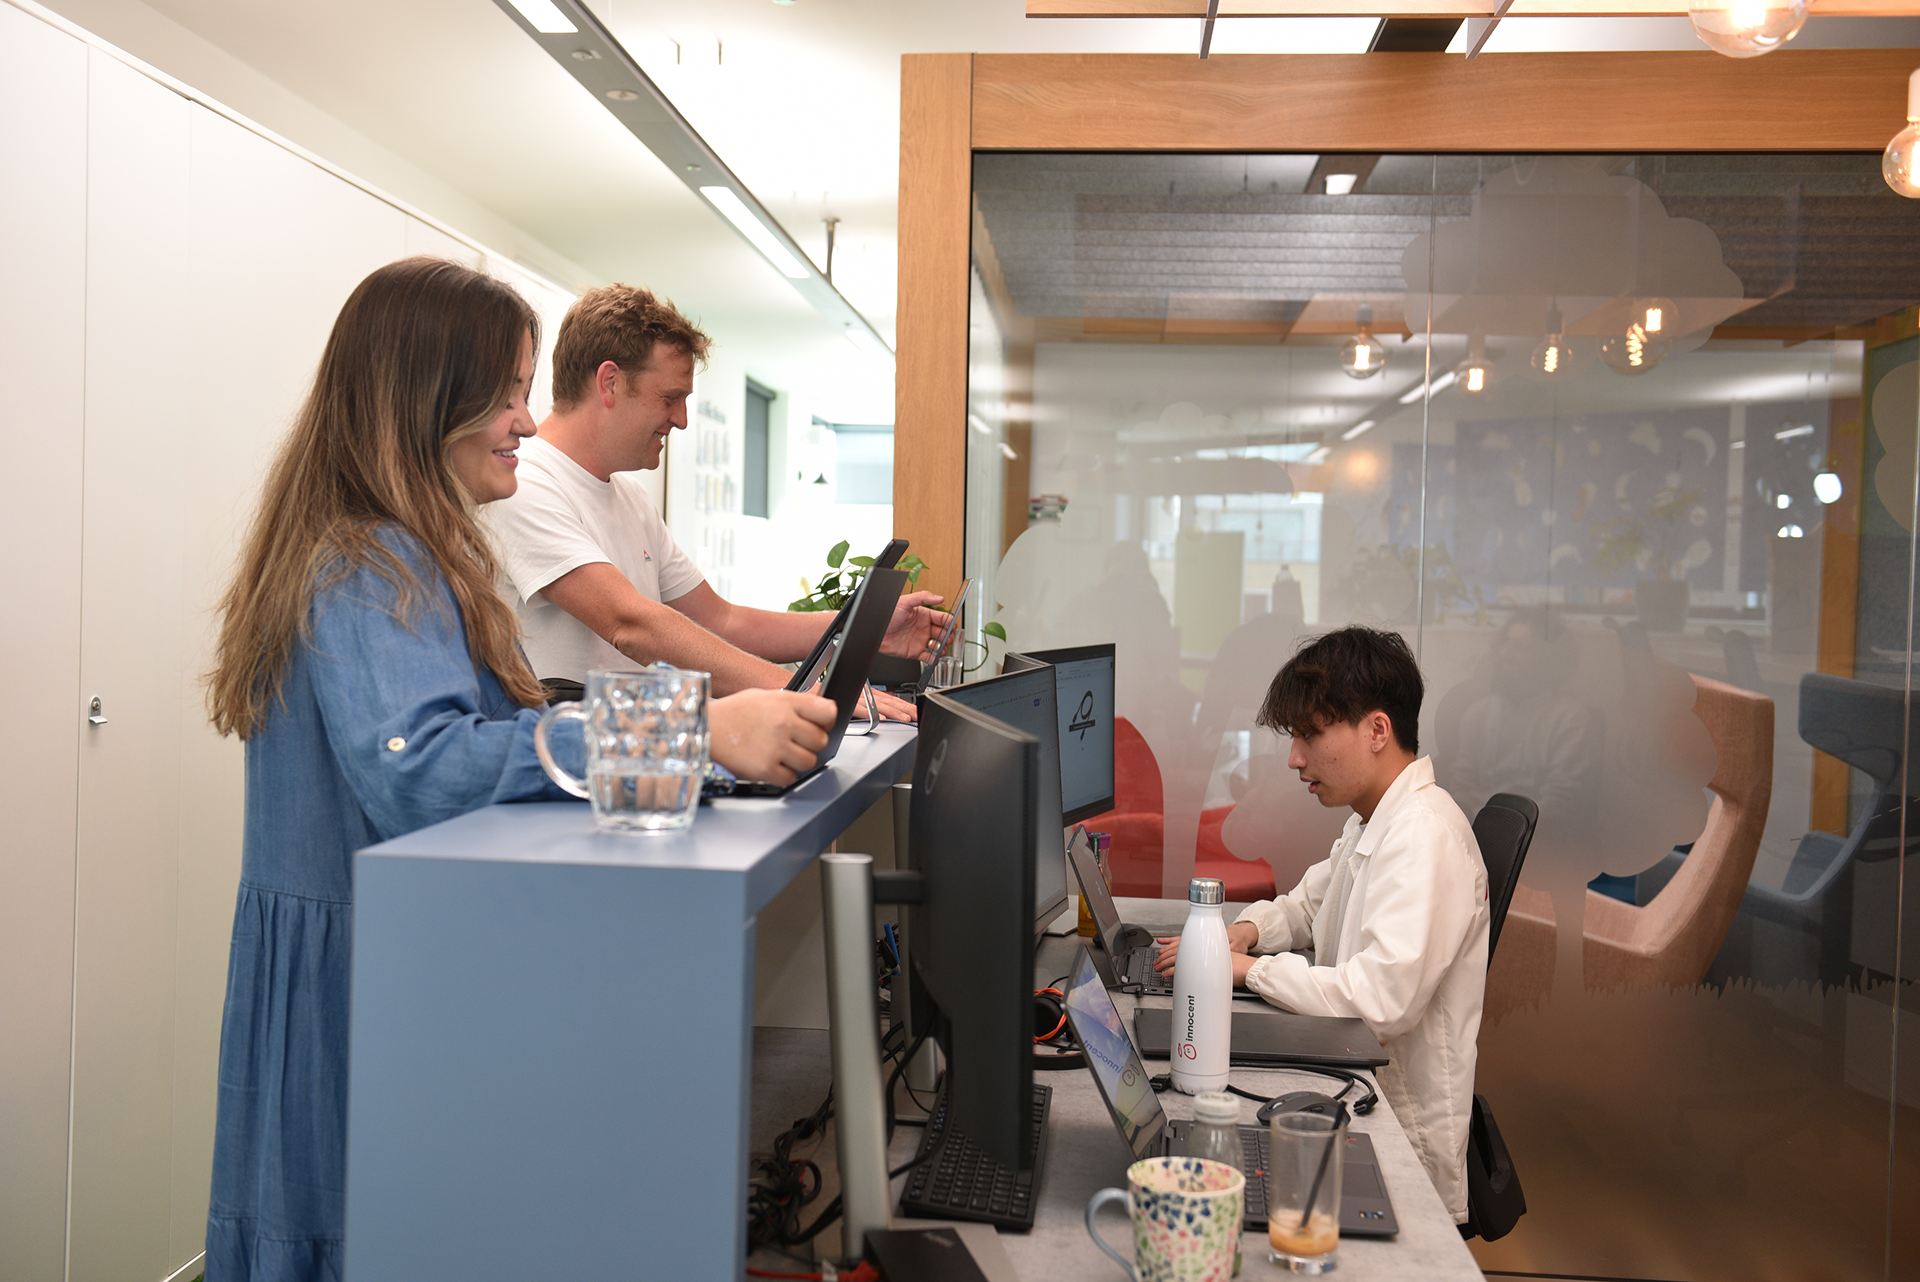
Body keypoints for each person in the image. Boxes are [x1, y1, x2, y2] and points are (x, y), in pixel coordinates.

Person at [201, 258, 836, 1281]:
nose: (526, 424)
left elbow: (503, 722)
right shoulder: (367, 559)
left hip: (374, 948)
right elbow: (425, 766)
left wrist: (706, 741)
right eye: (502, 395)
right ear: (425, 404)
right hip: (349, 973)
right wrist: (697, 731)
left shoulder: (402, 549)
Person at [1154, 626, 1489, 1223]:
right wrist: (1245, 933)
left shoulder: (1424, 837)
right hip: (1356, 1093)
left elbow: (1378, 1002)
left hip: (1400, 1146)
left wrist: (1247, 972)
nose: (1294, 758)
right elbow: (1308, 907)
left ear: (1377, 731)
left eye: (1310, 735)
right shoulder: (1375, 819)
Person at [480, 284, 942, 714]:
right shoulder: (523, 483)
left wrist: (863, 625)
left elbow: (722, 622)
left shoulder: (631, 499)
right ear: (610, 383)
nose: (680, 420)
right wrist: (803, 696)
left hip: (629, 762)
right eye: (670, 397)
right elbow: (631, 624)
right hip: (562, 768)